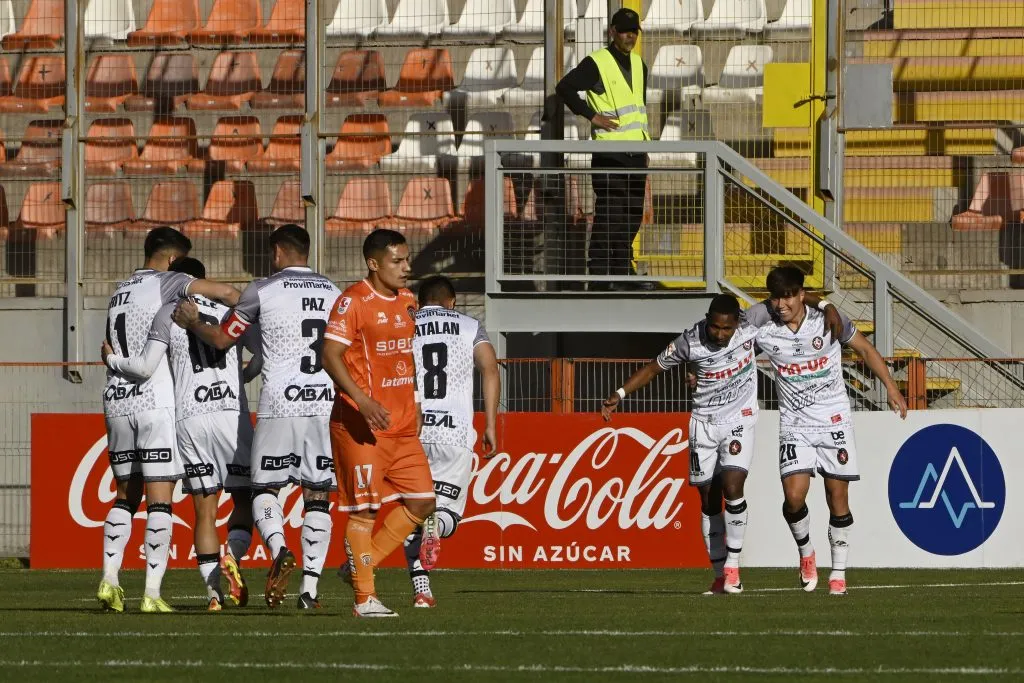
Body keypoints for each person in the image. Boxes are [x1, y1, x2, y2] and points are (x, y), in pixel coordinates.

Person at [601, 293, 844, 594]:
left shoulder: (751, 321)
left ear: (737, 324)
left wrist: (826, 306)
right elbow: (653, 368)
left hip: (739, 420)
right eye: (715, 327)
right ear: (707, 320)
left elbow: (790, 294)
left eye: (726, 329)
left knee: (732, 485)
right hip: (703, 423)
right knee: (708, 500)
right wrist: (620, 394)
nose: (720, 334)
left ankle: (732, 567)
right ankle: (719, 576)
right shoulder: (689, 342)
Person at [173, 225, 341, 610]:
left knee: (263, 490)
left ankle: (279, 550)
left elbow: (222, 339)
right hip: (323, 402)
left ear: (278, 251)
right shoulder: (334, 293)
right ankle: (310, 590)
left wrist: (193, 322)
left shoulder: (261, 290)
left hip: (280, 404)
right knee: (318, 495)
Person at [101, 257, 261, 611]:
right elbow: (261, 354)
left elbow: (148, 364)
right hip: (230, 413)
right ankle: (233, 556)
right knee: (245, 498)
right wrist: (242, 377)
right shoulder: (229, 311)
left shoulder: (169, 312)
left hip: (189, 417)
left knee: (204, 510)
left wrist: (111, 360)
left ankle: (213, 594)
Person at [746, 266, 908, 595]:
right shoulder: (763, 328)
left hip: (834, 420)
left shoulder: (827, 321)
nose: (781, 305)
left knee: (837, 498)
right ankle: (806, 552)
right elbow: (727, 337)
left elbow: (865, 349)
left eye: (788, 297)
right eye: (776, 298)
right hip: (795, 424)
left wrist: (891, 387)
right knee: (794, 497)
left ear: (801, 294)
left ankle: (838, 573)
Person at [322, 228, 437, 618]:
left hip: (402, 424)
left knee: (423, 502)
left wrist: (415, 401)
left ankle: (359, 565)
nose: (406, 268)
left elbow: (406, 357)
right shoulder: (352, 301)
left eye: (407, 260)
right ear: (373, 263)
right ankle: (364, 598)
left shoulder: (407, 300)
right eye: (397, 261)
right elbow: (329, 354)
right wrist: (361, 399)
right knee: (364, 512)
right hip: (361, 426)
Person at [404, 275, 500, 607]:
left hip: (413, 429)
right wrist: (490, 424)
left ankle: (422, 590)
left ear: (419, 302)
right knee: (446, 515)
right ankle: (436, 526)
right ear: (453, 301)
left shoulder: (407, 325)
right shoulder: (470, 326)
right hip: (454, 432)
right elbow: (490, 369)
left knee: (409, 515)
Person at [556, 7, 650, 290]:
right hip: (610, 153)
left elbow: (639, 109)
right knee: (610, 215)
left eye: (634, 32)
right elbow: (565, 88)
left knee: (632, 216)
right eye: (625, 31)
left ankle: (622, 273)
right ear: (612, 32)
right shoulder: (597, 62)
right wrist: (592, 116)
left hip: (636, 154)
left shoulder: (640, 65)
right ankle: (599, 275)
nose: (630, 36)